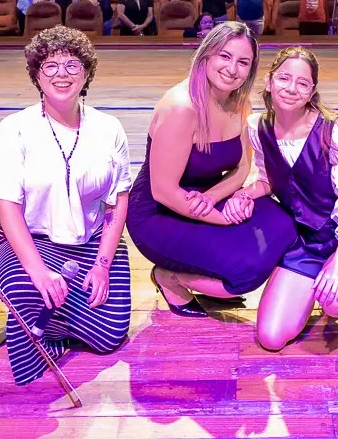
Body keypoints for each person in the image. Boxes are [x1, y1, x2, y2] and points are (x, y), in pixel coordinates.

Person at [0, 27, 132, 385]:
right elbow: (8, 209)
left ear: (86, 74)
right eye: (50, 66)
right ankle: (40, 310)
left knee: (110, 335)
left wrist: (102, 265)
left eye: (72, 64)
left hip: (90, 244)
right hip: (29, 242)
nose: (62, 74)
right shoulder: (14, 129)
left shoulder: (109, 128)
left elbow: (118, 202)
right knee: (28, 289)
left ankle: (48, 318)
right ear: (36, 75)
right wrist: (37, 270)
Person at [126, 23, 296, 316]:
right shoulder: (182, 108)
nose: (232, 69)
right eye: (224, 56)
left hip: (205, 195)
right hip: (159, 212)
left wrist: (225, 198)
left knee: (283, 224)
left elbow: (243, 166)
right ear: (206, 55)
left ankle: (206, 273)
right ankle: (170, 278)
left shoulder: (239, 102)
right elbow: (164, 191)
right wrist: (223, 218)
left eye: (243, 62)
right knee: (248, 268)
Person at [242, 48, 338, 350]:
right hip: (305, 240)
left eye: (302, 83)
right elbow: (269, 177)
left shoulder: (334, 130)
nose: (291, 88)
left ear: (312, 91)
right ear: (269, 81)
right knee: (271, 338)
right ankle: (314, 287)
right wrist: (247, 192)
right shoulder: (258, 127)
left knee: (336, 302)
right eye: (284, 78)